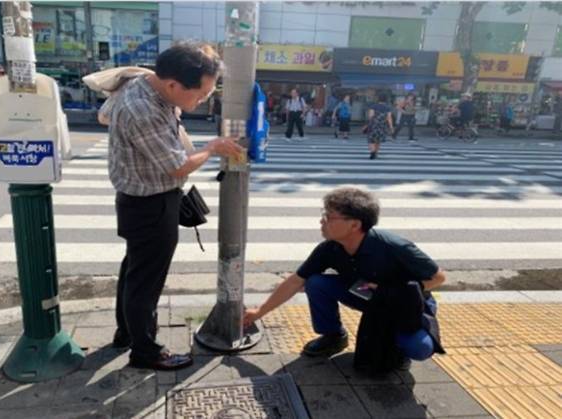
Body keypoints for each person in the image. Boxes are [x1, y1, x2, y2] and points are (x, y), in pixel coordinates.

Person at [108, 42, 243, 371]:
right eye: (200, 94)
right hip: (150, 205)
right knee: (146, 283)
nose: (202, 102)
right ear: (173, 85)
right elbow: (178, 166)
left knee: (135, 273)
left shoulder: (152, 86)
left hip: (142, 199)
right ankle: (145, 352)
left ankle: (127, 333)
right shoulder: (142, 108)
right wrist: (212, 148)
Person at [243, 187, 446, 371]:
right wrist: (259, 312)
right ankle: (333, 336)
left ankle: (397, 348)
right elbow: (296, 281)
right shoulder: (330, 248)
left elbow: (438, 277)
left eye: (329, 217)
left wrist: (392, 290)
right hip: (366, 292)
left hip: (402, 303)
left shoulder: (393, 246)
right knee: (316, 282)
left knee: (419, 347)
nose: (322, 221)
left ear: (354, 224)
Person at [366, 93, 393, 159]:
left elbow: (370, 116)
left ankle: (372, 152)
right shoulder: (387, 107)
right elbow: (389, 118)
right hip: (382, 126)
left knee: (371, 140)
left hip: (373, 125)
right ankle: (376, 153)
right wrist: (391, 127)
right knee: (378, 140)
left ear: (378, 99)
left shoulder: (373, 106)